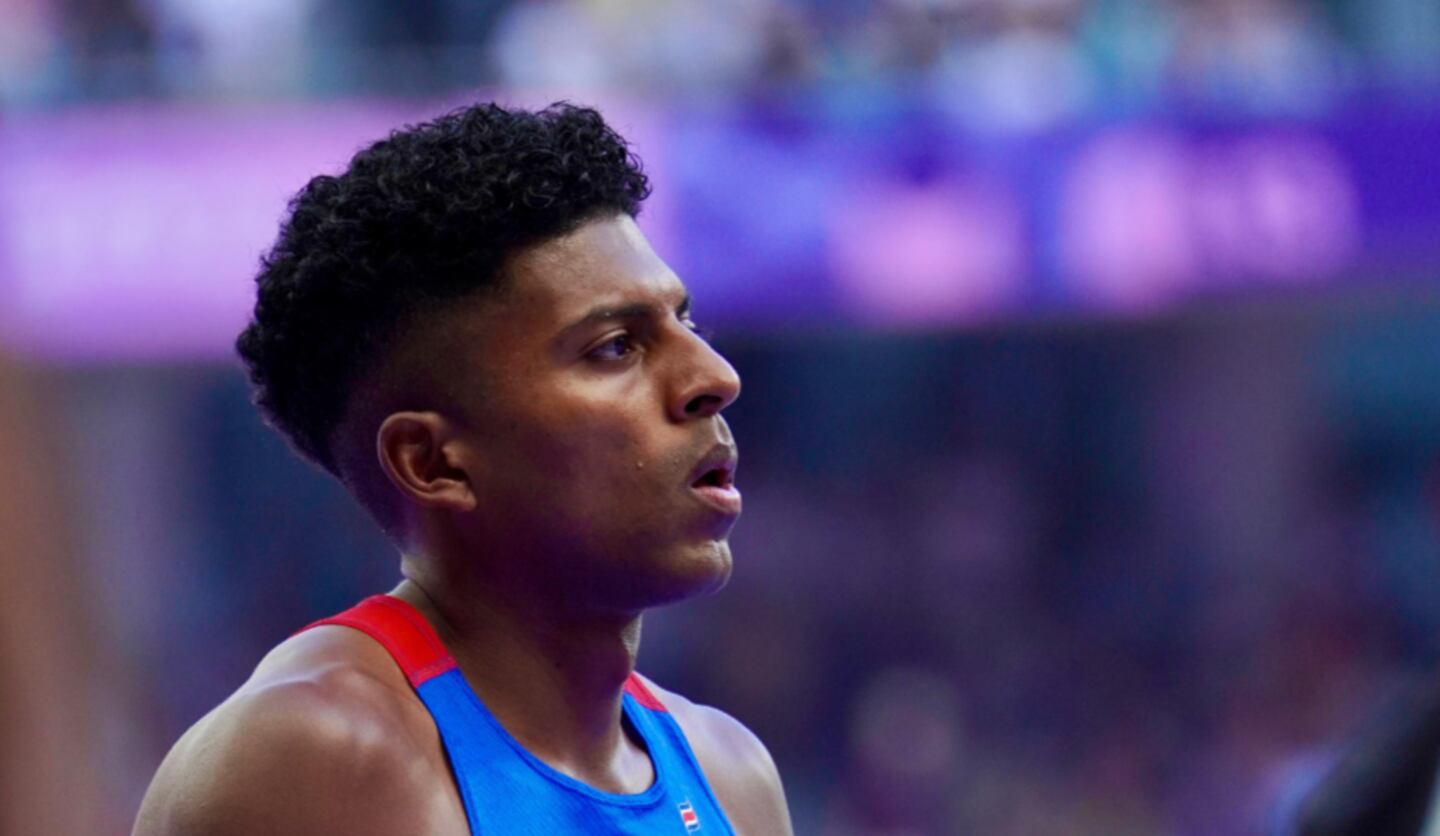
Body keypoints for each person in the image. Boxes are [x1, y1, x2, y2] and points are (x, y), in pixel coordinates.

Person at [133, 102, 794, 835]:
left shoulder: (733, 774)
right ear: (433, 463)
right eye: (615, 346)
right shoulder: (315, 758)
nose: (715, 376)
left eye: (686, 323)